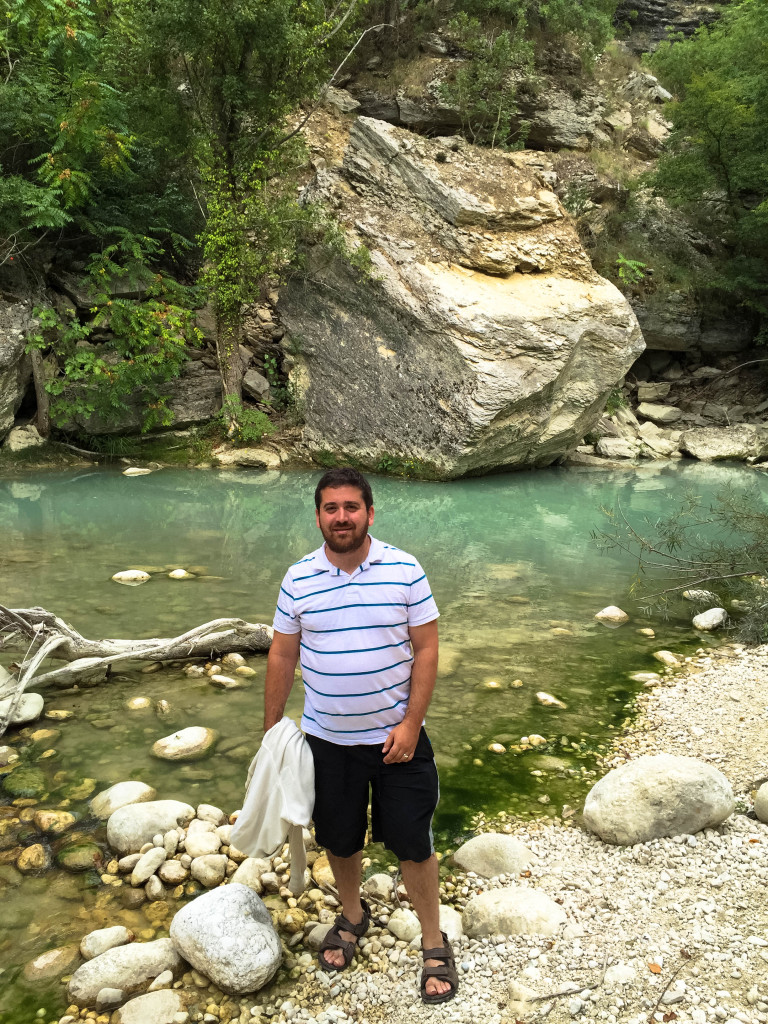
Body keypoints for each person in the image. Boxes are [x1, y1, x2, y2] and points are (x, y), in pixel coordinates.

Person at [263, 467, 457, 1004]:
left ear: (370, 513)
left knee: (414, 843)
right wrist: (271, 731)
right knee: (340, 838)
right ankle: (353, 916)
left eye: (352, 507)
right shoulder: (298, 577)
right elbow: (282, 653)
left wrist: (412, 723)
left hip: (400, 742)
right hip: (326, 742)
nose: (341, 517)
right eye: (331, 508)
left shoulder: (405, 569)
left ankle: (433, 940)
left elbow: (428, 649)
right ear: (319, 516)